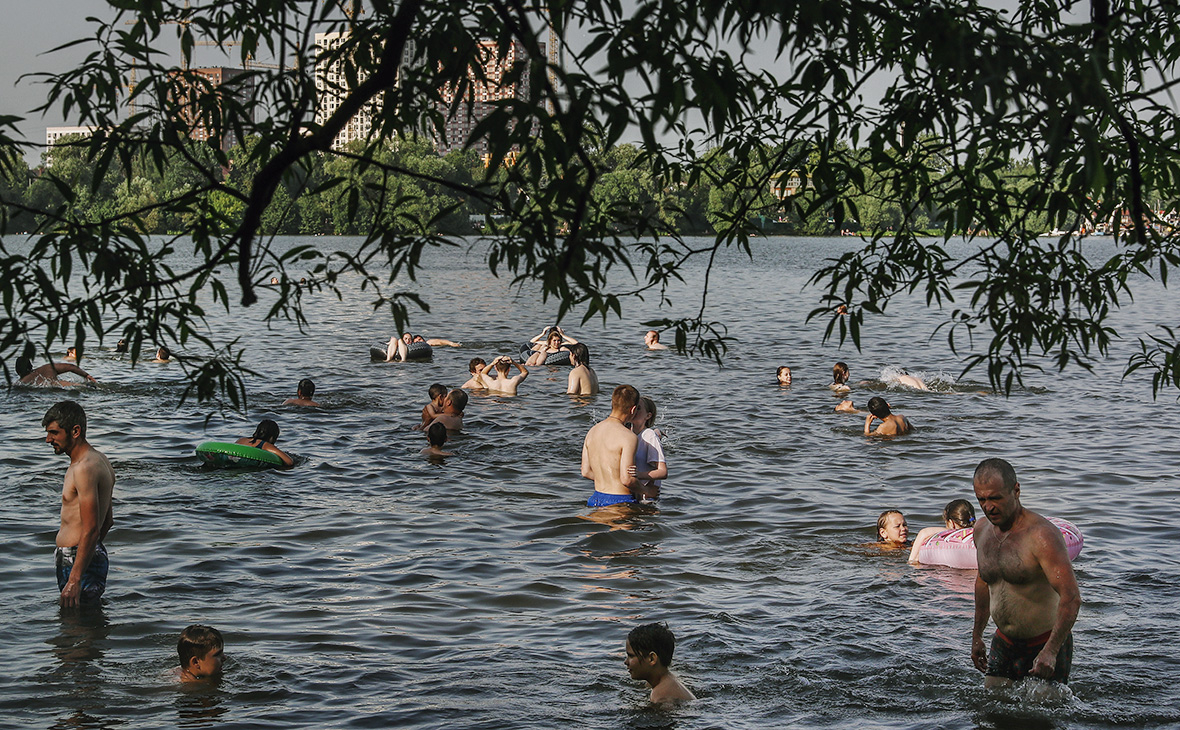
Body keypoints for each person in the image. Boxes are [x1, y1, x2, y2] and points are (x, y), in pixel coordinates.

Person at [971, 458, 1080, 686]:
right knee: (990, 711)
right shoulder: (981, 531)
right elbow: (983, 583)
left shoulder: (1041, 536)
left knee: (1044, 715)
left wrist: (1050, 650)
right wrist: (977, 635)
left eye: (995, 498)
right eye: (981, 499)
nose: (988, 506)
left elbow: (1071, 598)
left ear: (1016, 490)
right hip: (1004, 641)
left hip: (1044, 642)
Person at [43, 401, 115, 607]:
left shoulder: (83, 468)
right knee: (85, 624)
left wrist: (75, 577)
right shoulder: (101, 460)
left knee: (75, 625)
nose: (48, 440)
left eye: (54, 433)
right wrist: (91, 554)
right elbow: (108, 521)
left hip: (76, 561)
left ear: (75, 431)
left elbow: (92, 528)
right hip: (84, 557)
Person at [581, 384, 640, 507]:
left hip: (595, 499)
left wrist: (608, 479)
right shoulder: (628, 437)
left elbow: (586, 472)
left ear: (613, 404)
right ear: (633, 409)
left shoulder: (592, 431)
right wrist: (647, 490)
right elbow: (627, 479)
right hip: (621, 501)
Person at [624, 623, 696, 703]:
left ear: (652, 659)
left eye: (631, 656)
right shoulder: (666, 680)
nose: (626, 662)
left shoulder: (661, 698)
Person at [908, 499, 976, 564]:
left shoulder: (951, 534)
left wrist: (912, 559)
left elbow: (924, 533)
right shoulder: (979, 531)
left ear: (951, 523)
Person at [629, 396, 666, 501]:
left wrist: (639, 475)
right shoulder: (626, 433)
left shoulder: (649, 435)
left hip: (646, 497)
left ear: (648, 415)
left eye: (639, 408)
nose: (634, 410)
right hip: (631, 493)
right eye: (633, 407)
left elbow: (662, 472)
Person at [16, 357, 97, 388]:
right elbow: (71, 367)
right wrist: (87, 375)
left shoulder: (21, 382)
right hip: (67, 385)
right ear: (31, 366)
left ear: (17, 370)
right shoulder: (47, 367)